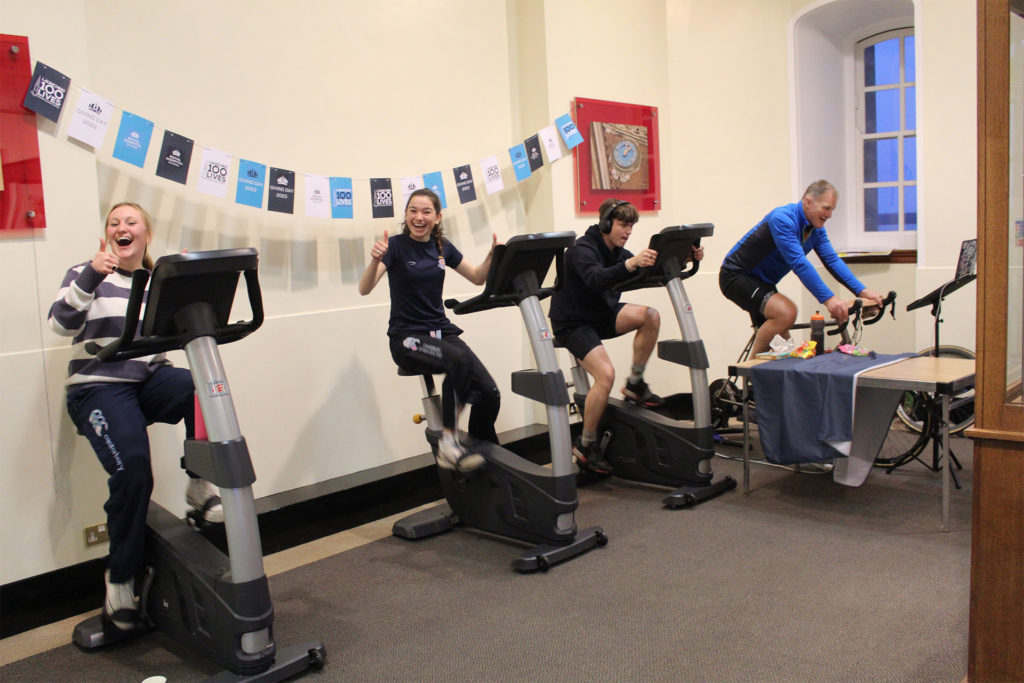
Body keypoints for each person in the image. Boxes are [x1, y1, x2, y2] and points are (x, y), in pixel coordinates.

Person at [47, 202, 222, 633]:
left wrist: (186, 283)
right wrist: (92, 274)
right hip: (98, 387)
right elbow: (60, 325)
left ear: (146, 233)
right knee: (135, 474)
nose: (121, 228)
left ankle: (199, 488)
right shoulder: (85, 274)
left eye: (131, 222)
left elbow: (181, 331)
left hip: (147, 381)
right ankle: (120, 580)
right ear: (107, 234)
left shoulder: (154, 282)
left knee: (204, 388)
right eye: (114, 223)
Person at [548, 198, 703, 475]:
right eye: (623, 224)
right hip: (573, 322)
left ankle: (634, 383)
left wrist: (684, 260)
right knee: (605, 375)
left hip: (600, 314)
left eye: (631, 225)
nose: (628, 231)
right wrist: (631, 263)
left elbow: (646, 272)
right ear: (606, 223)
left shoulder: (617, 251)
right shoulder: (581, 249)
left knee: (650, 316)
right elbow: (597, 278)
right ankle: (586, 444)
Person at [359, 188, 500, 473]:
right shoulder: (395, 247)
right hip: (406, 338)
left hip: (441, 331)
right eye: (413, 210)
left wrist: (492, 256)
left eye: (426, 212)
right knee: (458, 362)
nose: (418, 217)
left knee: (489, 392)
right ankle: (449, 443)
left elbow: (476, 277)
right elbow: (364, 289)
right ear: (406, 215)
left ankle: (487, 458)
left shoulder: (441, 246)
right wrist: (375, 258)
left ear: (437, 217)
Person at [719, 180, 885, 356]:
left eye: (832, 210)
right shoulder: (783, 219)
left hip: (763, 283)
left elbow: (832, 260)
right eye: (826, 208)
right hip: (736, 276)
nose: (829, 215)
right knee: (786, 312)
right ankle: (750, 375)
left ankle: (760, 377)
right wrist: (830, 300)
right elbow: (799, 263)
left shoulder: (816, 230)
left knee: (784, 352)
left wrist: (862, 291)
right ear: (808, 202)